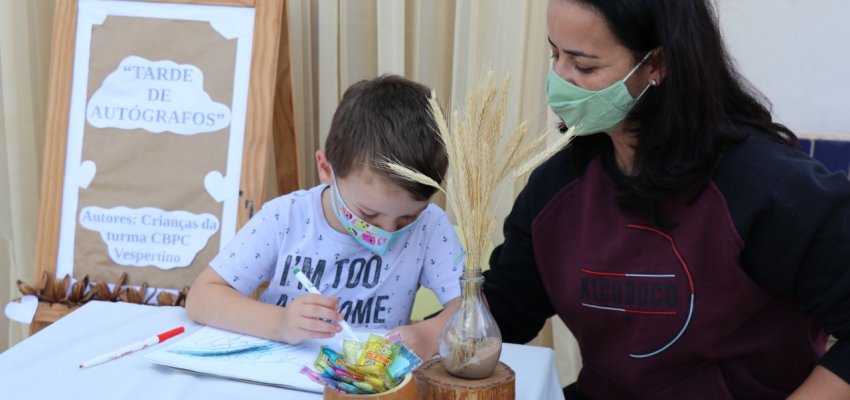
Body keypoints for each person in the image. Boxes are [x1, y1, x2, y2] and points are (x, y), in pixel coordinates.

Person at [482, 0, 850, 399]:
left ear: (657, 64)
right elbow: (502, 309)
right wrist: (419, 336)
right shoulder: (558, 188)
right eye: (556, 54)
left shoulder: (766, 188)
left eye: (583, 66)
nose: (559, 78)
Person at [186, 75, 463, 360]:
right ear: (326, 169)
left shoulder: (430, 226)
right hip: (282, 373)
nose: (387, 231)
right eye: (368, 214)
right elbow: (202, 298)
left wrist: (430, 335)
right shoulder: (285, 218)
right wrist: (281, 323)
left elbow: (471, 307)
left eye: (407, 218)